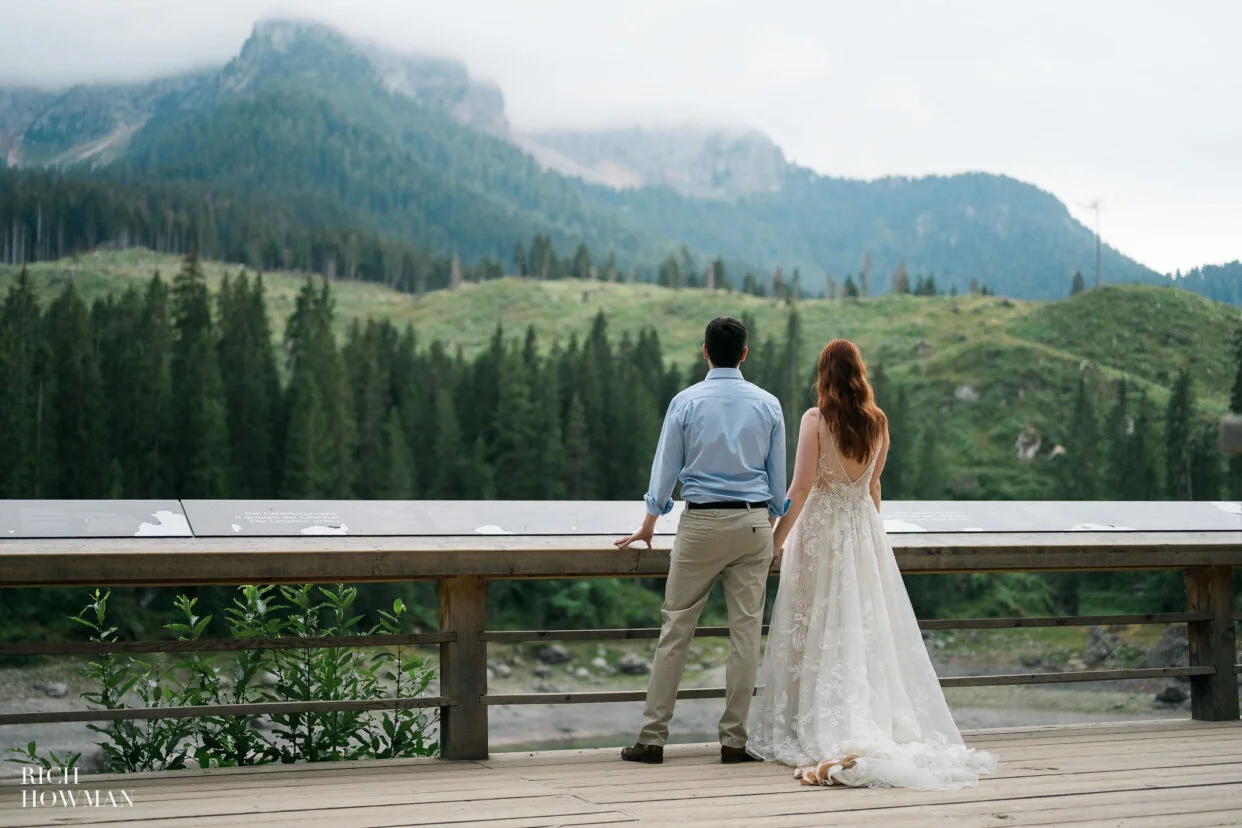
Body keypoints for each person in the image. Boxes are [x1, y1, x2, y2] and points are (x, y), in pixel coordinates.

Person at [746, 339, 997, 789]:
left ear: (824, 375)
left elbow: (800, 488)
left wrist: (774, 542)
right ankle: (869, 713)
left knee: (814, 624)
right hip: (862, 533)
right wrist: (870, 539)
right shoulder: (878, 422)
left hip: (820, 534)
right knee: (860, 627)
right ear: (859, 374)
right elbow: (874, 487)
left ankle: (812, 719)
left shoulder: (816, 420)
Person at [615, 316, 788, 765]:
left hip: (700, 525)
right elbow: (779, 483)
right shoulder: (768, 405)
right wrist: (764, 524)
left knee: (676, 629)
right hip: (753, 526)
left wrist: (650, 521)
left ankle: (652, 739)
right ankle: (734, 741)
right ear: (744, 353)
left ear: (705, 350)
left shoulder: (686, 401)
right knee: (746, 634)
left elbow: (665, 468)